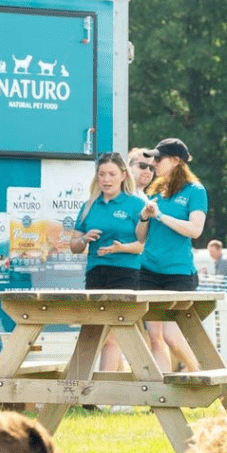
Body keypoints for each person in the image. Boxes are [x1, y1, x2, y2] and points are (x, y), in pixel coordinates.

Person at [70, 150, 145, 373]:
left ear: (123, 175)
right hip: (95, 272)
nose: (106, 179)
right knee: (92, 331)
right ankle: (82, 388)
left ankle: (102, 396)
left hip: (125, 272)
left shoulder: (135, 204)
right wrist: (84, 238)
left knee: (112, 335)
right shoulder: (89, 206)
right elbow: (74, 246)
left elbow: (143, 245)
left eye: (111, 174)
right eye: (102, 174)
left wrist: (121, 247)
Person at [137, 137, 207, 372]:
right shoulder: (154, 190)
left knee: (170, 335)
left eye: (158, 158)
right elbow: (140, 237)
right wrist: (145, 217)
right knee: (154, 335)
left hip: (178, 272)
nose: (153, 164)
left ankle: (201, 374)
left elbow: (195, 230)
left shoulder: (195, 191)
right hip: (148, 270)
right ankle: (161, 391)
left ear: (176, 161)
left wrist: (160, 216)